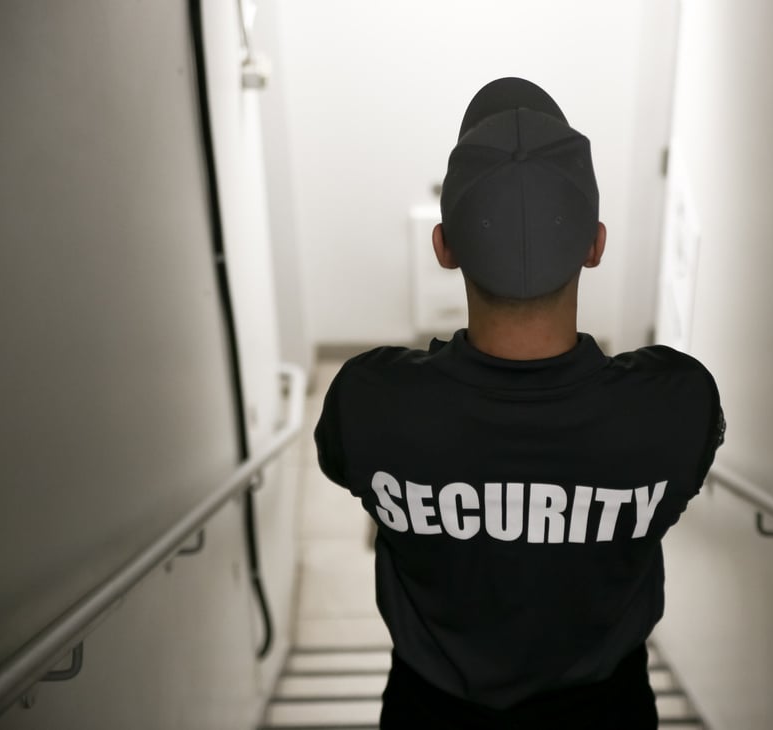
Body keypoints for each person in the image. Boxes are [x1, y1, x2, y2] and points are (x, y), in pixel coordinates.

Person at [314, 77, 724, 730]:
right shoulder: (674, 405)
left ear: (443, 246)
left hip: (428, 714)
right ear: (595, 244)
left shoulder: (370, 402)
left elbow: (343, 464)